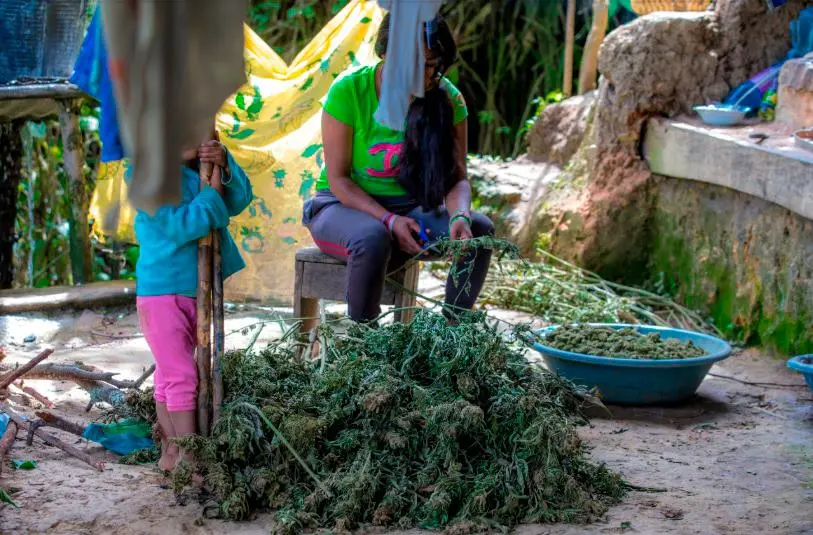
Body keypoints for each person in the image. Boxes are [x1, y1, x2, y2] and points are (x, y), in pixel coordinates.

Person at [303, 13, 494, 322]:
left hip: (413, 212)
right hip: (343, 207)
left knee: (480, 230)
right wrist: (389, 221)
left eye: (433, 65)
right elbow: (338, 180)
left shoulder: (448, 99)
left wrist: (459, 216)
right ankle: (366, 345)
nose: (426, 75)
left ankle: (453, 332)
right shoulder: (349, 92)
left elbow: (457, 177)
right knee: (371, 237)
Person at [132, 132, 252, 471]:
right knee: (182, 374)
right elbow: (182, 225)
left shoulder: (198, 172)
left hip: (192, 294)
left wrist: (223, 164)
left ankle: (171, 452)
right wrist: (211, 196)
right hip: (161, 295)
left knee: (169, 375)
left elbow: (238, 200)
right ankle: (191, 454)